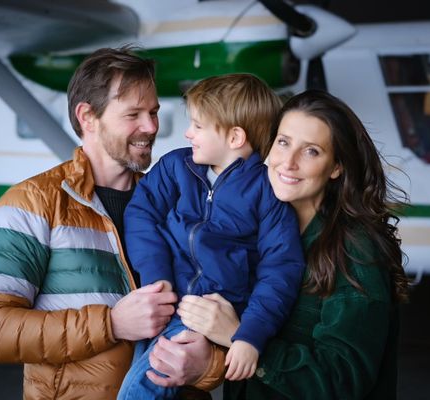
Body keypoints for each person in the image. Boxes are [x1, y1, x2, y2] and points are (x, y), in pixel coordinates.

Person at [0, 46, 222, 400]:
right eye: (133, 114)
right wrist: (112, 324)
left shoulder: (179, 204)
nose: (151, 127)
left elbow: (218, 307)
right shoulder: (30, 205)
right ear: (87, 116)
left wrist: (208, 364)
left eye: (153, 111)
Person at [164, 89, 411, 399]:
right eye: (283, 142)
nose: (288, 163)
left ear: (336, 167)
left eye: (311, 151)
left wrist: (241, 337)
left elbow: (344, 381)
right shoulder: (255, 233)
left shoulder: (354, 251)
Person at [117, 74, 306, 399]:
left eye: (199, 126)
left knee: (140, 390)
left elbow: (281, 269)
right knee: (135, 379)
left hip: (206, 313)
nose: (188, 133)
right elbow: (141, 214)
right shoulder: (176, 167)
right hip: (161, 301)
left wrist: (249, 335)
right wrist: (156, 277)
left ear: (234, 137)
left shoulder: (267, 192)